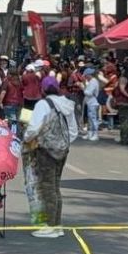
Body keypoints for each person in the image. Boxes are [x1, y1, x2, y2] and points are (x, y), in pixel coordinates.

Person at [22, 77, 79, 238]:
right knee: (55, 187)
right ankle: (57, 224)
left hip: (45, 150)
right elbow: (73, 131)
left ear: (43, 89)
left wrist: (26, 139)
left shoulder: (43, 104)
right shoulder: (67, 104)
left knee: (45, 187)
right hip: (62, 150)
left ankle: (49, 226)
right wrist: (62, 144)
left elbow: (33, 128)